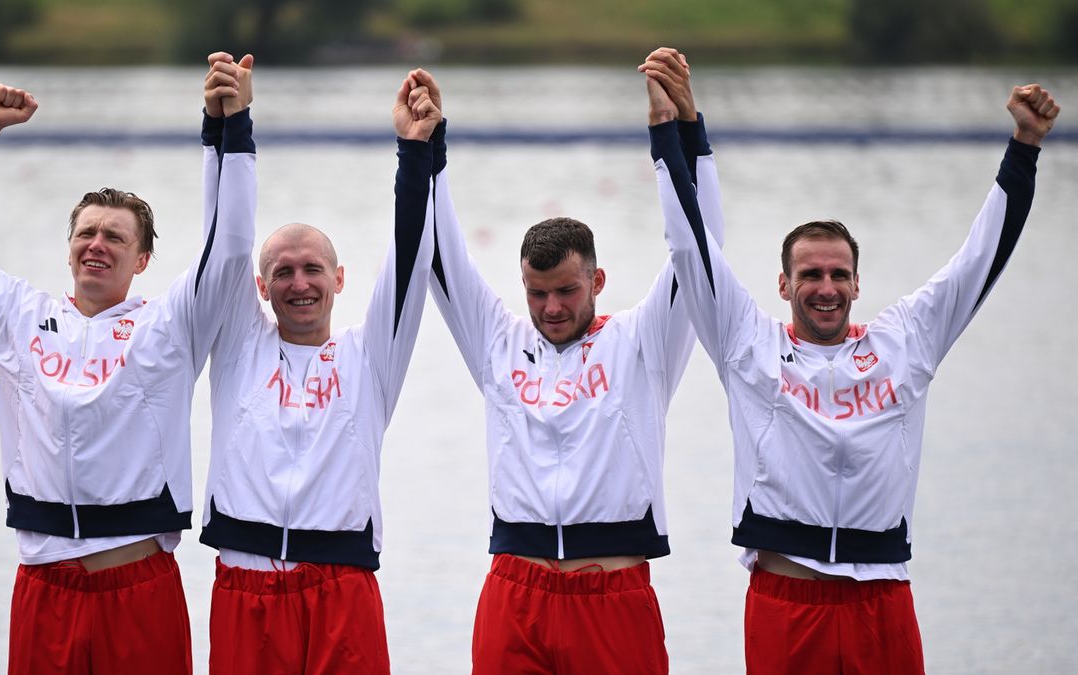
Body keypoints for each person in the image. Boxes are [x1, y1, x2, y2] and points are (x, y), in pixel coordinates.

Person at [645, 46, 1060, 674]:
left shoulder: (904, 342)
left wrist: (1025, 145)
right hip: (787, 601)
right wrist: (675, 130)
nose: (826, 286)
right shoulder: (745, 341)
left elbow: (980, 260)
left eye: (840, 274)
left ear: (858, 284)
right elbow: (690, 244)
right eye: (810, 274)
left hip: (882, 600)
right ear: (783, 286)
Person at [0, 66, 256, 673]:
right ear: (69, 247)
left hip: (138, 586)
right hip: (46, 587)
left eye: (116, 237)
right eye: (87, 232)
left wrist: (225, 127)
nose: (98, 243)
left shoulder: (170, 325)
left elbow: (227, 246)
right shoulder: (15, 315)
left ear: (142, 259)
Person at [423, 61, 724, 672]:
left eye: (566, 291)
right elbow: (440, 254)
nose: (552, 308)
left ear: (597, 281)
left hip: (611, 601)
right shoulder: (499, 342)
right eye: (537, 294)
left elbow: (701, 250)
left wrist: (679, 134)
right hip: (515, 594)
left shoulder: (643, 342)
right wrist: (426, 146)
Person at [195, 56, 441, 675]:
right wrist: (227, 125)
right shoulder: (238, 347)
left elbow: (411, 258)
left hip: (343, 590)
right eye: (283, 271)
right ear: (260, 285)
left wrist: (416, 151)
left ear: (339, 278)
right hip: (245, 590)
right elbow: (222, 239)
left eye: (312, 270)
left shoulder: (370, 357)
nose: (299, 283)